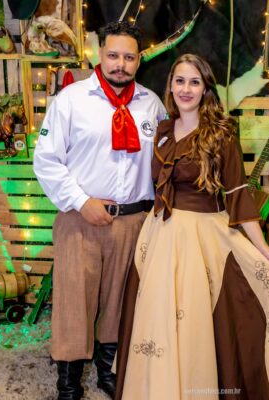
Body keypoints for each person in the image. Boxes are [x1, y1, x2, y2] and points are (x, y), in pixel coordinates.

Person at [115, 54, 269, 400]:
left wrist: (262, 248)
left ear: (205, 89)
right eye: (180, 81)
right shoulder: (162, 131)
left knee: (195, 322)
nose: (186, 89)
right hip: (160, 234)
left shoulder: (221, 134)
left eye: (194, 82)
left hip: (202, 237)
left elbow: (237, 193)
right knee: (157, 318)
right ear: (170, 86)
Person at [33, 21, 166, 400]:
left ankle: (110, 372)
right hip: (80, 219)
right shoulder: (72, 100)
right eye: (113, 55)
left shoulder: (152, 104)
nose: (120, 64)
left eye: (129, 57)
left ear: (138, 60)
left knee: (120, 300)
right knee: (74, 301)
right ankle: (68, 382)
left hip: (134, 220)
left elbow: (165, 160)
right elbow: (46, 160)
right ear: (99, 54)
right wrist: (81, 201)